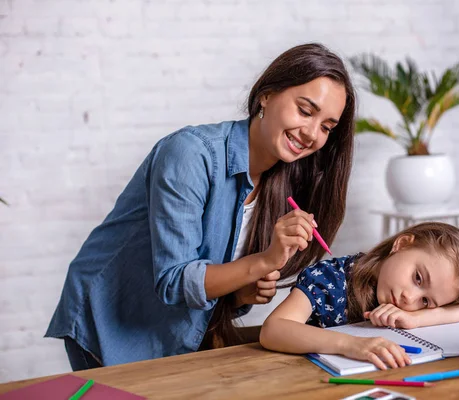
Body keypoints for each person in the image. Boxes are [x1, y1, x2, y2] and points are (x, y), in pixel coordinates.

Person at [45, 43, 357, 370]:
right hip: (111, 320)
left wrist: (242, 294)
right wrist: (263, 261)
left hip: (174, 330)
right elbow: (176, 281)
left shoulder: (281, 180)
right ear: (266, 95)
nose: (312, 134)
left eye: (326, 127)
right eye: (305, 110)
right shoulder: (191, 154)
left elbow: (212, 280)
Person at [259, 222, 459, 371]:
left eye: (426, 301)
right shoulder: (330, 278)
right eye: (418, 278)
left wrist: (418, 319)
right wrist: (351, 345)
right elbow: (273, 329)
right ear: (401, 244)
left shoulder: (410, 310)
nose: (409, 299)